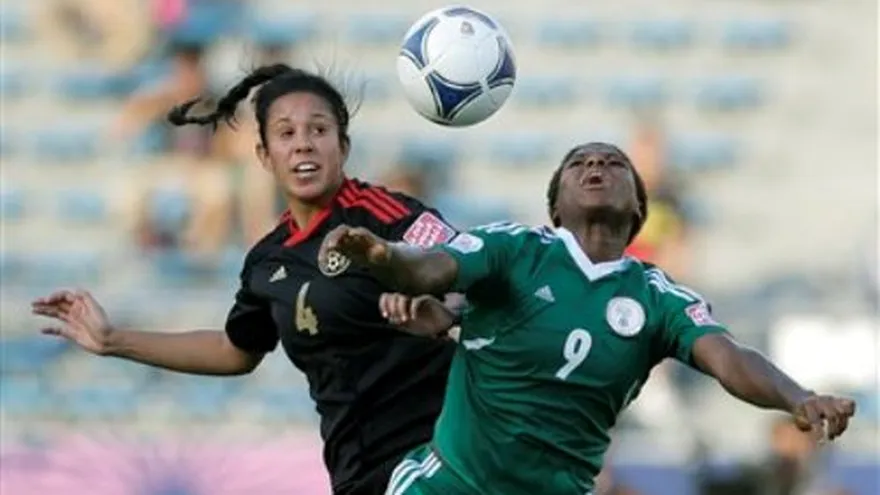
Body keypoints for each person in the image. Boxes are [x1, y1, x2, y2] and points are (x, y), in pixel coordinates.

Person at [317, 142, 857, 495]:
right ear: (556, 206)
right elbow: (434, 268)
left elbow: (729, 357)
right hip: (451, 484)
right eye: (578, 163)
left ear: (638, 208)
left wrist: (798, 398)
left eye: (613, 163)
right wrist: (384, 257)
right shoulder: (514, 248)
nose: (595, 166)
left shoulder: (656, 297)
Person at [31, 64, 463, 495]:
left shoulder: (388, 218)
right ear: (263, 154)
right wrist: (113, 340)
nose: (303, 146)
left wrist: (446, 311)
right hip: (356, 470)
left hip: (437, 455)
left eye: (318, 130)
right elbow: (236, 350)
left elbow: (472, 273)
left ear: (343, 146)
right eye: (286, 134)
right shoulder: (269, 260)